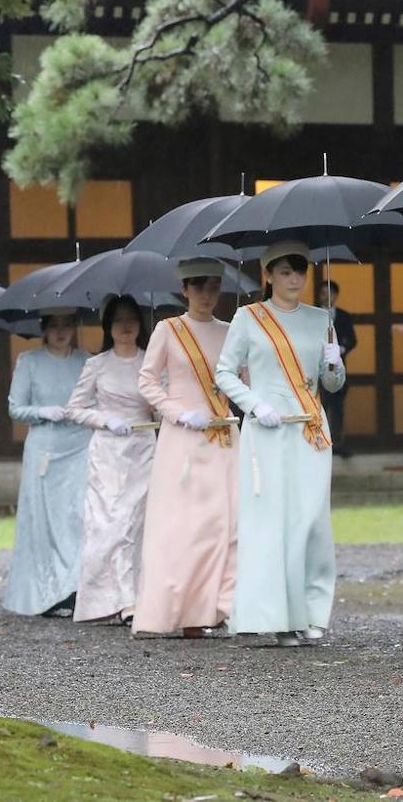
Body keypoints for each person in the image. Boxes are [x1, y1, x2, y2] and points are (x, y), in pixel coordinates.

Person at [214, 241, 345, 647]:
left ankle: (313, 611)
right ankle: (278, 617)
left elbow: (332, 383)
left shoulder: (321, 318)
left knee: (311, 520)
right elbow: (224, 373)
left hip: (310, 428)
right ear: (267, 274)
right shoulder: (248, 317)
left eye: (300, 271)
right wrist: (255, 406)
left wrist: (334, 364)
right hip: (267, 431)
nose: (294, 279)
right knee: (271, 521)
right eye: (285, 272)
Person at [134, 259, 239, 638]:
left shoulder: (231, 330)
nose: (207, 295)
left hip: (223, 436)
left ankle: (214, 608)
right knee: (181, 525)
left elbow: (246, 377)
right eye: (198, 287)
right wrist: (177, 413)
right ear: (185, 290)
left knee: (223, 522)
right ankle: (175, 608)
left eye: (213, 286)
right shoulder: (169, 329)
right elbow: (147, 381)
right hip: (182, 439)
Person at [66, 296, 155, 626]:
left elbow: (161, 401)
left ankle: (136, 599)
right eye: (118, 320)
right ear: (108, 327)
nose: (126, 326)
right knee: (111, 524)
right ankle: (111, 600)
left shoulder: (150, 362)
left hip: (143, 448)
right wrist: (106, 420)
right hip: (108, 452)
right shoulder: (97, 365)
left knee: (138, 523)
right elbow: (74, 409)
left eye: (132, 319)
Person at [4, 309, 92, 617]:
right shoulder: (29, 362)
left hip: (80, 446)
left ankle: (75, 588)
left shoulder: (86, 361)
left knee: (76, 518)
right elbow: (15, 407)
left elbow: (96, 399)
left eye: (67, 324)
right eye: (54, 325)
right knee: (44, 520)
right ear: (44, 328)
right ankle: (45, 592)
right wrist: (43, 411)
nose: (60, 331)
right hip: (45, 448)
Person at [314, 280, 357, 456]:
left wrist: (341, 349)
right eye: (323, 292)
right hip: (317, 368)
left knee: (337, 409)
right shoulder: (313, 314)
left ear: (336, 295)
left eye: (330, 293)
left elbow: (353, 339)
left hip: (337, 366)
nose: (326, 296)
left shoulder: (344, 316)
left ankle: (338, 443)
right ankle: (319, 440)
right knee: (320, 407)